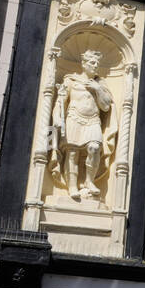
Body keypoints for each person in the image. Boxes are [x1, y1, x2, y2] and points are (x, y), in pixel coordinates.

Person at [52, 49, 113, 204]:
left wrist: (97, 89)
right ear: (84, 63)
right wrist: (57, 118)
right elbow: (59, 103)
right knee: (72, 153)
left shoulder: (100, 84)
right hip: (74, 118)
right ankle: (72, 186)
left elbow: (106, 107)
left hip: (93, 120)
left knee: (94, 148)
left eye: (97, 63)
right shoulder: (71, 80)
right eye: (92, 62)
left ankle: (89, 181)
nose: (95, 66)